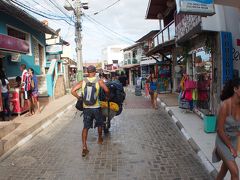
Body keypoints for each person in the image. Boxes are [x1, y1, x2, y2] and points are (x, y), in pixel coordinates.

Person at [71, 65, 109, 157]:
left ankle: (84, 147)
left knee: (85, 127)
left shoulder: (83, 81)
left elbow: (72, 91)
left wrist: (79, 97)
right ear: (95, 72)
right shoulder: (99, 81)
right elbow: (107, 90)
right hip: (96, 107)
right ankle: (99, 139)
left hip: (86, 108)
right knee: (99, 124)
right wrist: (107, 97)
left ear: (87, 72)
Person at [212, 79, 240, 180]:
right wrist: (230, 147)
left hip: (234, 141)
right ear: (235, 89)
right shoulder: (225, 105)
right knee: (235, 172)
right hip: (222, 141)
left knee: (224, 171)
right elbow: (220, 130)